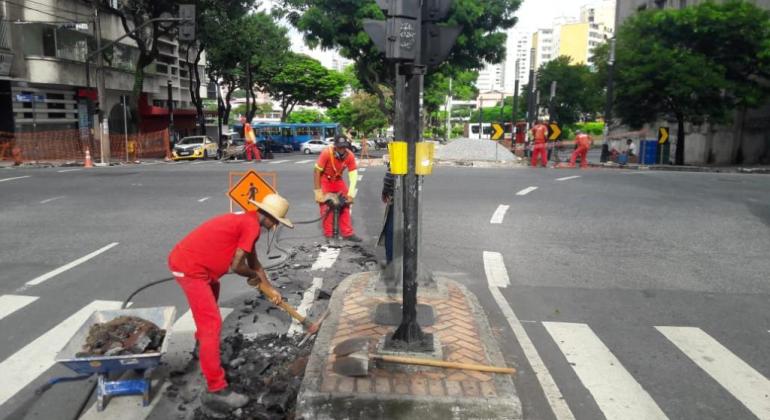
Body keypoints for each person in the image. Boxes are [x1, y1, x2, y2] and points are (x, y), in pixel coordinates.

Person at [167, 193, 293, 410]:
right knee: (211, 324)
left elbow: (255, 264)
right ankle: (216, 389)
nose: (274, 227)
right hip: (191, 269)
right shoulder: (251, 226)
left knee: (210, 307)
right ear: (269, 217)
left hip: (202, 270)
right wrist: (251, 277)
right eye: (275, 222)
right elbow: (238, 266)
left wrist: (270, 289)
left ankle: (204, 355)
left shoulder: (248, 222)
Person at [313, 136, 361, 242]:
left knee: (345, 203)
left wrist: (350, 194)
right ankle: (329, 234)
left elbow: (353, 175)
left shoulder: (350, 156)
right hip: (325, 179)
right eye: (340, 147)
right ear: (335, 147)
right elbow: (316, 171)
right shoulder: (326, 153)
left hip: (338, 180)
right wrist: (318, 192)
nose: (342, 150)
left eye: (344, 147)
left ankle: (347, 233)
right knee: (326, 206)